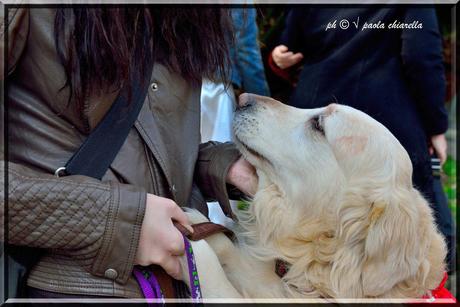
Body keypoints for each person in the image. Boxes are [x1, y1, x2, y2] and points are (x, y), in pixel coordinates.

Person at [0, 7, 257, 298]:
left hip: (171, 285)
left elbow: (144, 151)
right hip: (66, 285)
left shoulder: (185, 17)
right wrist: (118, 220)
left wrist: (222, 167)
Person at [269, 7, 454, 271]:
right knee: (392, 245)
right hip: (385, 124)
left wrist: (278, 58)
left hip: (315, 124)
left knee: (302, 235)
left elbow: (288, 45)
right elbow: (421, 58)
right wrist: (436, 127)